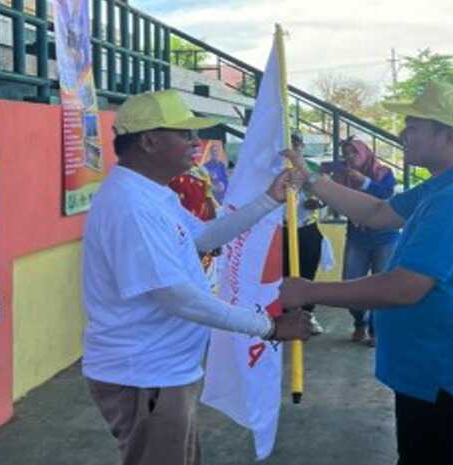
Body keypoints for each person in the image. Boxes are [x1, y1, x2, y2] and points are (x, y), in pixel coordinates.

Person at [281, 81, 453, 465]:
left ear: (448, 135)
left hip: (445, 370)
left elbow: (405, 287)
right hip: (444, 364)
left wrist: (309, 292)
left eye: (413, 126)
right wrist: (311, 178)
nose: (404, 134)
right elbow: (377, 213)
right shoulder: (447, 184)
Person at [81, 90, 312, 465]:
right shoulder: (130, 205)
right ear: (149, 141)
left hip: (163, 370)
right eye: (185, 134)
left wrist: (269, 199)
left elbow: (203, 237)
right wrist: (268, 327)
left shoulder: (152, 193)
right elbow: (177, 297)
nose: (196, 142)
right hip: (146, 374)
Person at [336, 136, 400, 346]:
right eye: (346, 154)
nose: (350, 157)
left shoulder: (384, 172)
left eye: (354, 152)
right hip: (357, 237)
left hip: (385, 236)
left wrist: (363, 181)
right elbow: (336, 201)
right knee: (351, 282)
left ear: (365, 153)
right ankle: (359, 321)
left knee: (383, 286)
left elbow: (386, 194)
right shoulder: (343, 177)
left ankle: (376, 329)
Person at [282, 131, 326, 334]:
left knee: (307, 274)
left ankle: (307, 315)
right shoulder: (271, 168)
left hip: (306, 229)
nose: (294, 147)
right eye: (291, 143)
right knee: (281, 275)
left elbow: (324, 193)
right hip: (280, 230)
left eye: (297, 144)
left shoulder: (312, 167)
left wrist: (318, 202)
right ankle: (283, 317)